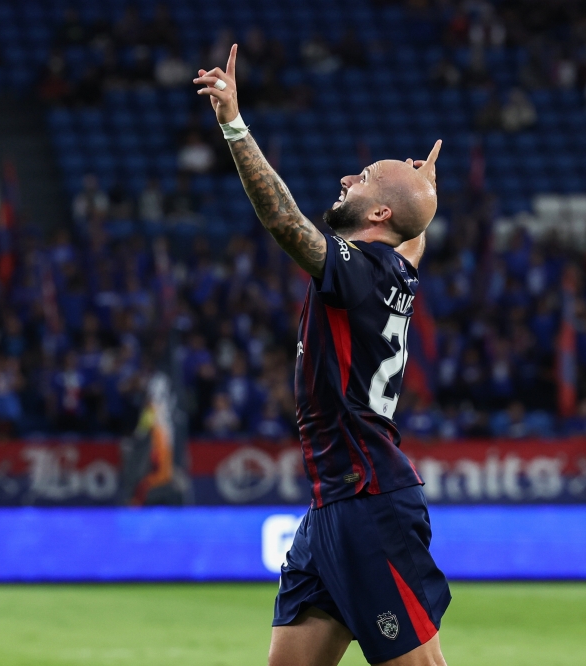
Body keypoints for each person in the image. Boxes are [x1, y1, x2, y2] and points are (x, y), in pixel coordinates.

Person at [193, 46, 450, 666]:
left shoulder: (358, 271)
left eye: (361, 178)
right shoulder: (396, 268)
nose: (345, 179)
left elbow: (284, 221)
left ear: (380, 213)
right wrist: (423, 194)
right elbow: (413, 235)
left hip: (368, 503)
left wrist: (234, 122)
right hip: (332, 504)